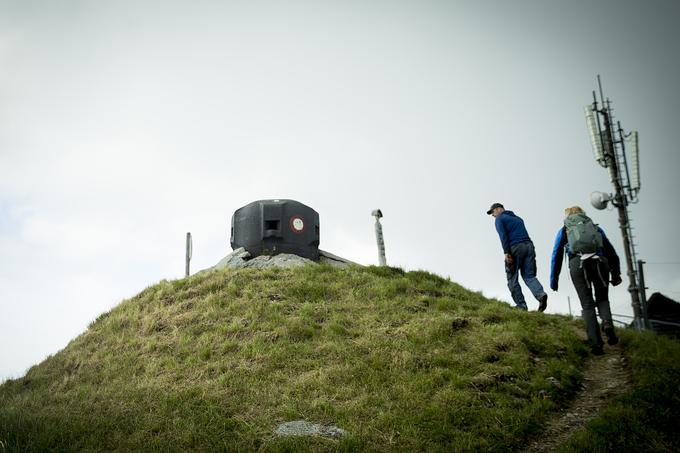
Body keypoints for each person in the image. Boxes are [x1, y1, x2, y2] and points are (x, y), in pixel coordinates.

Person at [550, 206, 622, 355]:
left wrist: (554, 279)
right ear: (583, 214)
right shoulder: (595, 228)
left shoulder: (565, 229)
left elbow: (556, 255)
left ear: (568, 216)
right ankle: (608, 325)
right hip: (600, 262)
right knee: (602, 298)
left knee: (587, 304)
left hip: (578, 264)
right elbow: (611, 252)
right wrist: (616, 274)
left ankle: (596, 344)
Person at [487, 203, 548, 312]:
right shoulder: (518, 218)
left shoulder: (500, 219)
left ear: (499, 209)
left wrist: (506, 253)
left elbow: (503, 236)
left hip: (515, 248)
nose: (493, 215)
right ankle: (540, 294)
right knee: (529, 276)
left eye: (493, 212)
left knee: (512, 277)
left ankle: (521, 305)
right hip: (529, 246)